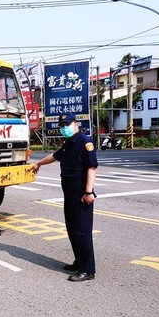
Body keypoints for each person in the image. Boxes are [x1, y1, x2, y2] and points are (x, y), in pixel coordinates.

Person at [30, 113, 98, 282]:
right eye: (62, 125)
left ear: (76, 123)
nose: (64, 127)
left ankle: (87, 270)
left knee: (82, 232)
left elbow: (92, 167)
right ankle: (79, 261)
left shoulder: (84, 142)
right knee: (72, 229)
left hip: (81, 194)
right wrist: (38, 163)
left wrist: (88, 192)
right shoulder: (69, 143)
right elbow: (55, 156)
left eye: (67, 124)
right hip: (69, 194)